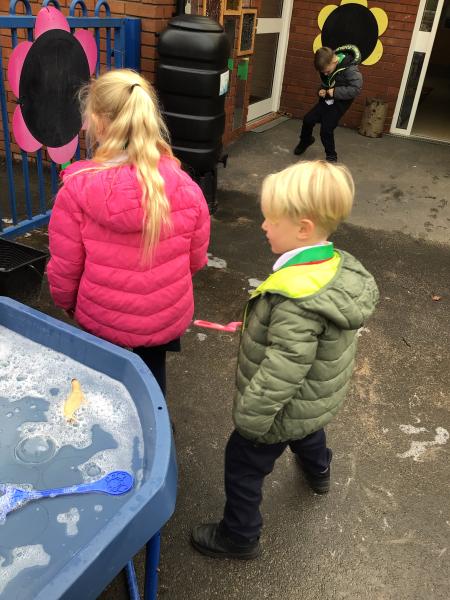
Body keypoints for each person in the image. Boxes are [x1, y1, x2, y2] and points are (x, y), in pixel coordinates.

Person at [191, 160, 378, 559]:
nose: (262, 226)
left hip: (279, 408)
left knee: (243, 464)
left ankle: (239, 536)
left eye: (270, 220)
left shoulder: (296, 299)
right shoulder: (331, 267)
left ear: (303, 228)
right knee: (307, 429)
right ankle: (319, 471)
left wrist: (251, 421)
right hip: (312, 400)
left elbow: (283, 369)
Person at [47, 69, 210, 396]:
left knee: (101, 390)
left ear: (98, 123)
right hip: (163, 316)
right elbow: (195, 259)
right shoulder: (186, 188)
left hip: (101, 316)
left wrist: (66, 302)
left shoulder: (78, 190)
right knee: (152, 382)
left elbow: (66, 266)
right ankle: (156, 423)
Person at [294, 45, 363, 162]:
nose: (325, 74)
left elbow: (356, 89)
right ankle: (306, 140)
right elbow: (326, 82)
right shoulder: (328, 66)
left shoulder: (350, 68)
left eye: (327, 71)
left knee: (326, 129)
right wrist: (321, 90)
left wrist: (335, 92)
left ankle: (331, 156)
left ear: (334, 61)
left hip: (340, 103)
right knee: (308, 119)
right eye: (323, 72)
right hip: (327, 99)